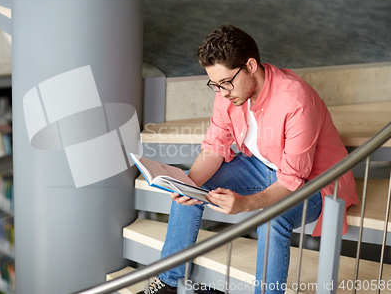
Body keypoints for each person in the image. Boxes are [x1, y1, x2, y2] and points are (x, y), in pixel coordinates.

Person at [138, 24, 359, 294]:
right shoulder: (229, 93)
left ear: (251, 65)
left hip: (315, 183)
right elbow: (214, 148)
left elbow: (291, 180)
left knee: (272, 220)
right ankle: (170, 283)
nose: (221, 93)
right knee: (191, 188)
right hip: (263, 165)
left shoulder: (295, 102)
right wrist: (187, 183)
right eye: (214, 85)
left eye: (226, 82)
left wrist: (246, 204)